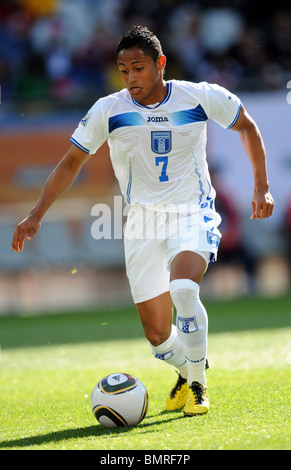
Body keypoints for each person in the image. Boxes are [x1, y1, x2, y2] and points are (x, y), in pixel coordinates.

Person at [11, 26, 274, 416]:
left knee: (184, 289)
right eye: (123, 70)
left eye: (138, 68)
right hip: (141, 224)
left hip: (192, 213)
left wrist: (261, 186)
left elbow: (246, 125)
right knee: (157, 337)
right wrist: (35, 214)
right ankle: (188, 369)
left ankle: (199, 385)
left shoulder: (199, 97)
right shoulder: (109, 110)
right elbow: (71, 163)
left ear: (160, 64)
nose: (131, 78)